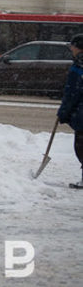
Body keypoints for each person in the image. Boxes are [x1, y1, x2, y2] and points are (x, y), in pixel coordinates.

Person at [57, 33, 83, 188]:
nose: (71, 49)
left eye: (72, 46)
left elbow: (72, 92)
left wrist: (64, 112)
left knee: (81, 146)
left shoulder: (79, 66)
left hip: (81, 113)